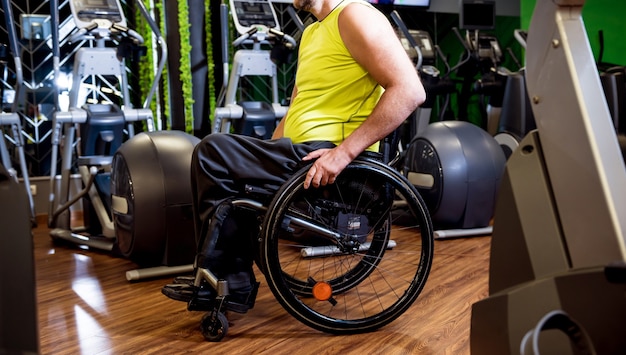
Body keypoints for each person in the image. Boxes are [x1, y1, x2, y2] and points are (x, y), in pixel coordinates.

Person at [162, 0, 426, 313]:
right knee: (226, 164)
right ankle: (223, 279)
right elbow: (296, 112)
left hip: (339, 169)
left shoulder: (355, 14)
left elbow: (410, 91)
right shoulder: (312, 32)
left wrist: (343, 154)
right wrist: (264, 155)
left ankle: (227, 280)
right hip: (300, 158)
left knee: (213, 150)